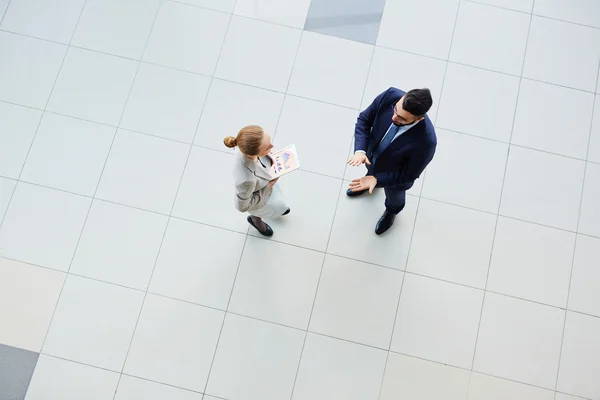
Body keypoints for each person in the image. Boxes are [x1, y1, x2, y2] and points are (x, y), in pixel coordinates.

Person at [347, 87, 436, 235]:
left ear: (419, 119)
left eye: (402, 119)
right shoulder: (390, 95)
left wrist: (377, 179)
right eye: (395, 110)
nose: (394, 118)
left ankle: (391, 212)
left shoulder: (427, 142)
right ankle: (369, 183)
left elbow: (408, 174)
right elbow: (364, 120)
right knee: (370, 172)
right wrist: (360, 151)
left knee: (395, 197)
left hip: (394, 178)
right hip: (372, 158)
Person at [224, 125, 290, 236]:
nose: (272, 146)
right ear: (253, 153)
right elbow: (242, 206)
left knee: (279, 203)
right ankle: (255, 221)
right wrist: (270, 184)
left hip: (264, 182)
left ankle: (278, 210)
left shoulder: (246, 143)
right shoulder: (246, 181)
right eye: (268, 148)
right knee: (271, 207)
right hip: (259, 195)